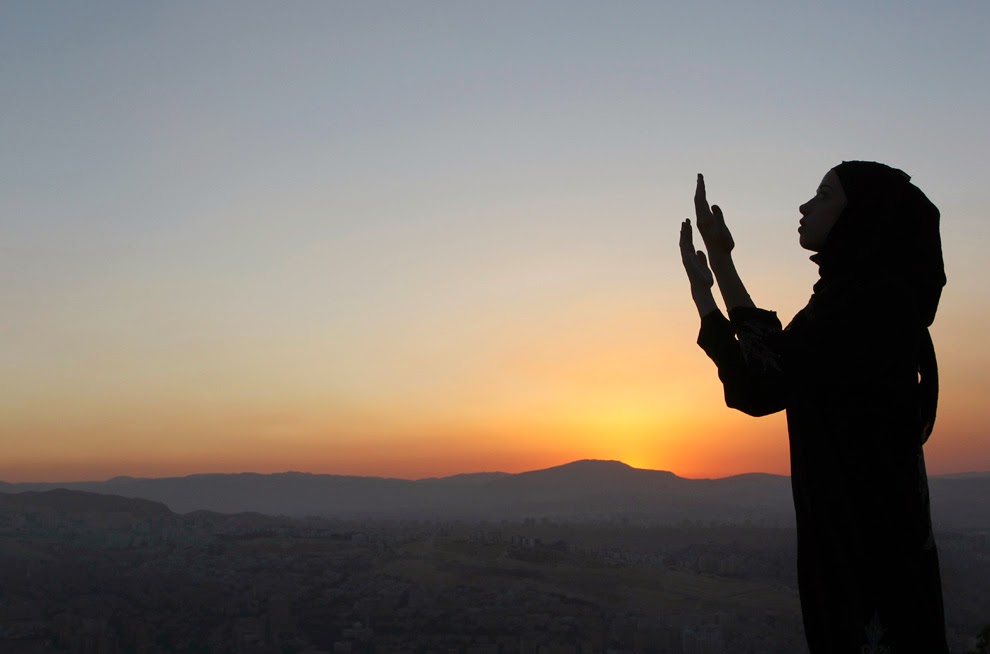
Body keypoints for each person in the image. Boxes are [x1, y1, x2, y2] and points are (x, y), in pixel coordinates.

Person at [679, 162, 949, 653]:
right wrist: (716, 272)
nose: (805, 207)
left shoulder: (866, 304)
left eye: (824, 196)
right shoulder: (863, 298)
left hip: (866, 546)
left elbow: (765, 382)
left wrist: (713, 280)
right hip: (873, 536)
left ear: (862, 215)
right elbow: (777, 370)